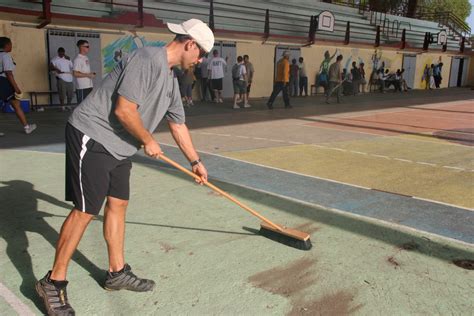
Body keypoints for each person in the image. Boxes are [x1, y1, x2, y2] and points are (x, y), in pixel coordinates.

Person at [35, 18, 213, 315]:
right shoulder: (147, 59)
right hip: (92, 134)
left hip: (119, 145)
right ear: (190, 44)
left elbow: (178, 124)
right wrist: (147, 139)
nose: (202, 59)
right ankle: (53, 282)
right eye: (202, 52)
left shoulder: (171, 81)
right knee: (85, 210)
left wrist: (195, 161)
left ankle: (116, 273)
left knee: (118, 204)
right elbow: (123, 109)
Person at [0, 37, 36, 134]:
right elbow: (8, 73)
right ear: (7, 45)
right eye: (11, 44)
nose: (11, 46)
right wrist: (16, 88)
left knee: (15, 103)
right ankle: (27, 127)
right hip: (4, 82)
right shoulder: (5, 56)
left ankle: (27, 127)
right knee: (16, 104)